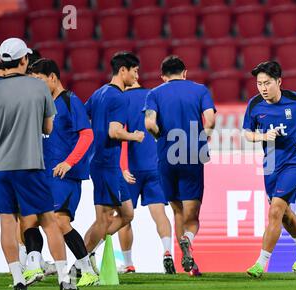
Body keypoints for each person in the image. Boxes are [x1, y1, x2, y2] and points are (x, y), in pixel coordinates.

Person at [0, 38, 76, 290]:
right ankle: (64, 278)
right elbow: (47, 128)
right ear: (24, 60)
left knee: (7, 222)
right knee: (48, 220)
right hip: (30, 164)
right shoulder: (37, 87)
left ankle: (18, 278)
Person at [242, 61, 296, 278]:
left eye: (267, 83)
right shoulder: (254, 104)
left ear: (278, 81)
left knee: (276, 209)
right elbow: (247, 133)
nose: (262, 88)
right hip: (270, 164)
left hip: (295, 161)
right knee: (285, 213)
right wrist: (262, 136)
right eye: (259, 83)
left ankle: (260, 264)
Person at [28, 58, 99, 286]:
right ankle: (34, 266)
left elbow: (87, 135)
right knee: (29, 220)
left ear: (53, 77)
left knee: (60, 221)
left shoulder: (70, 101)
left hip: (65, 176)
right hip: (44, 174)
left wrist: (69, 162)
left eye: (39, 80)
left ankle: (87, 271)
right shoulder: (42, 104)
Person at [144, 55, 216, 276]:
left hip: (167, 156)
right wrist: (206, 137)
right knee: (192, 216)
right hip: (193, 154)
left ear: (163, 77)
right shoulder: (200, 90)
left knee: (177, 210)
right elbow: (210, 120)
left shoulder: (154, 93)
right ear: (185, 72)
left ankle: (189, 262)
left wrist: (159, 137)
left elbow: (149, 123)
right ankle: (188, 240)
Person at [83, 52, 144, 272]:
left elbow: (82, 114)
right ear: (123, 71)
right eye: (135, 71)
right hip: (106, 164)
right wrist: (135, 136)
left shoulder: (100, 93)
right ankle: (81, 261)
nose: (137, 77)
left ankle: (86, 250)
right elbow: (114, 131)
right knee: (104, 219)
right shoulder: (118, 97)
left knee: (127, 213)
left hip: (107, 164)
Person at [118, 80, 176, 274]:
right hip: (155, 166)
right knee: (160, 213)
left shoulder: (120, 98)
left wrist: (122, 167)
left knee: (124, 218)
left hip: (131, 169)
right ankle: (168, 251)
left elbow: (119, 134)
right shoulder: (154, 96)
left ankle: (128, 264)